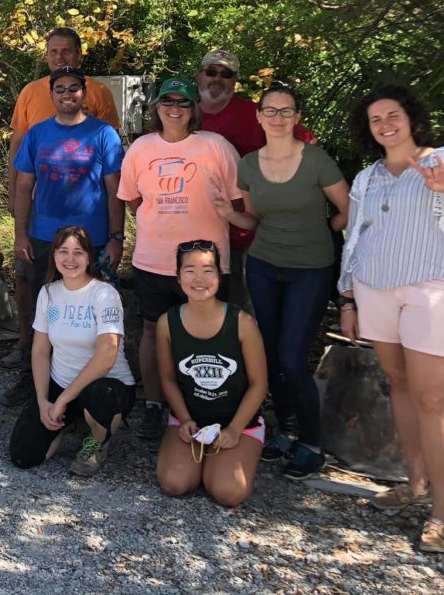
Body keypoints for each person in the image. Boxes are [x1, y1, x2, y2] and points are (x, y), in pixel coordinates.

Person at [339, 84, 444, 554]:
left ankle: (441, 514)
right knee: (399, 384)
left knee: (432, 398)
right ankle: (415, 483)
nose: (386, 124)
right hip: (375, 289)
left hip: (435, 291)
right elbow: (355, 237)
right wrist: (347, 297)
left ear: (410, 116)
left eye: (393, 115)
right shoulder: (368, 177)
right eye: (375, 120)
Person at [213, 83, 349, 480]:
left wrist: (324, 231)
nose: (277, 118)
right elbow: (255, 220)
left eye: (286, 111)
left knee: (292, 355)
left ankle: (311, 442)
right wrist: (228, 214)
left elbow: (346, 210)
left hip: (311, 267)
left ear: (297, 117)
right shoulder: (249, 165)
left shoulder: (317, 160)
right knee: (270, 354)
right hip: (263, 264)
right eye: (270, 111)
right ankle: (287, 431)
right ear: (258, 116)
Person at [118, 77, 242, 440]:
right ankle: (155, 405)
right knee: (154, 331)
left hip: (206, 263)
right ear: (156, 107)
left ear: (194, 109)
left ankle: (202, 408)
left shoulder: (216, 146)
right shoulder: (141, 148)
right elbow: (132, 198)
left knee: (207, 336)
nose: (175, 109)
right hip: (153, 258)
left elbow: (238, 201)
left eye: (183, 102)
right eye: (167, 101)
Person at [3, 27, 120, 377]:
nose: (67, 93)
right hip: (45, 233)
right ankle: (39, 378)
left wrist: (117, 237)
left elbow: (116, 187)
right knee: (49, 304)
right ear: (50, 93)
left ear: (84, 92)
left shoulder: (103, 132)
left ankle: (92, 378)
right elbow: (24, 184)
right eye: (60, 89)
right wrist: (20, 232)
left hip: (93, 235)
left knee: (91, 308)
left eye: (73, 88)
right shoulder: (38, 129)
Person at [9, 227, 136, 477]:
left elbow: (106, 357)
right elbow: (41, 351)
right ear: (54, 256)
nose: (70, 259)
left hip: (106, 386)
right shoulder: (49, 294)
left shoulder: (104, 295)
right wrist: (44, 401)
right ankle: (71, 422)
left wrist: (63, 400)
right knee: (24, 455)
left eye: (78, 252)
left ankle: (95, 442)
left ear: (89, 257)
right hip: (61, 383)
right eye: (63, 251)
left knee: (101, 398)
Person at [195, 49, 315, 311]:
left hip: (247, 234)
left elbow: (306, 145)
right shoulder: (182, 113)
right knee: (202, 312)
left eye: (226, 74)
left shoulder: (255, 114)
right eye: (211, 72)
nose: (217, 79)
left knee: (247, 311)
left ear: (234, 80)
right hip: (194, 233)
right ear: (199, 75)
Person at [157, 240, 268, 507]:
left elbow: (258, 384)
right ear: (178, 276)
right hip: (191, 421)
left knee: (228, 492)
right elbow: (168, 379)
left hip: (238, 423)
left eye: (208, 270)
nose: (199, 279)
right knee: (174, 483)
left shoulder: (241, 322)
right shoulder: (167, 323)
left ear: (219, 275)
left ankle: (227, 457)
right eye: (189, 270)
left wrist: (234, 429)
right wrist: (183, 419)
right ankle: (198, 456)